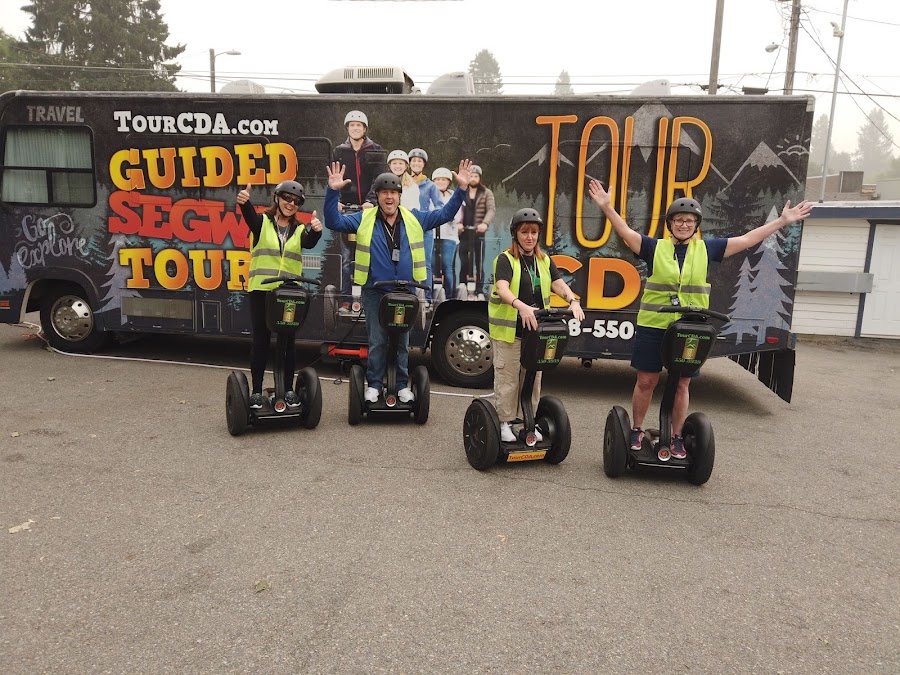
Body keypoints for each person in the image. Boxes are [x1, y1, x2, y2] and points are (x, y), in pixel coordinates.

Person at [588, 179, 812, 459]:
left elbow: (746, 240)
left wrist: (781, 221)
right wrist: (606, 207)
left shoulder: (708, 249)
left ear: (696, 225)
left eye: (689, 221)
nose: (684, 225)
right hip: (654, 325)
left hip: (690, 328)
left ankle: (677, 436)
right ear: (670, 224)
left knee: (682, 383)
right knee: (647, 381)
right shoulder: (653, 248)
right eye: (679, 220)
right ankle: (636, 429)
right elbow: (625, 231)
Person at [324, 159, 473, 404]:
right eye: (384, 193)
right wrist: (332, 192)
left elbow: (445, 214)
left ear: (399, 196)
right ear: (378, 196)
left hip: (405, 291)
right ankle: (374, 384)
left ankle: (401, 385)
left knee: (403, 341)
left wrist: (462, 189)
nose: (389, 197)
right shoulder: (364, 218)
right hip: (375, 291)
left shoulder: (414, 218)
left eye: (393, 192)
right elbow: (333, 222)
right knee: (377, 341)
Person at [488, 208, 585, 443]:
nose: (529, 237)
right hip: (510, 332)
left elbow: (558, 284)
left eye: (533, 232)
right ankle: (504, 422)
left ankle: (526, 421)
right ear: (515, 234)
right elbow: (502, 289)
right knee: (509, 379)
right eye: (524, 232)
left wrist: (572, 301)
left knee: (533, 380)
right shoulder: (505, 259)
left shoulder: (543, 260)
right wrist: (521, 306)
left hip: (536, 333)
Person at [237, 180, 323, 409]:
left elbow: (308, 242)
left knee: (288, 342)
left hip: (289, 293)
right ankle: (257, 391)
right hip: (262, 290)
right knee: (261, 340)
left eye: (296, 201)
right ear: (277, 198)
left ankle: (288, 390)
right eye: (286, 198)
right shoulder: (262, 222)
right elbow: (250, 218)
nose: (290, 203)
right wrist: (244, 203)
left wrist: (316, 231)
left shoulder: (299, 229)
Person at [332, 110, 385, 312]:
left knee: (369, 256)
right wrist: (337, 200)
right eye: (352, 125)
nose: (355, 128)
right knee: (347, 258)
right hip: (347, 210)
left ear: (364, 129)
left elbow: (378, 179)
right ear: (348, 128)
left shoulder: (375, 150)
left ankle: (369, 298)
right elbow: (335, 178)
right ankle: (346, 300)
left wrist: (371, 200)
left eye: (359, 125)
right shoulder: (339, 151)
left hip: (368, 211)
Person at [408, 148, 444, 302]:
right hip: (407, 226)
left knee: (425, 263)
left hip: (425, 228)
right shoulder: (404, 182)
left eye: (419, 161)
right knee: (407, 260)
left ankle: (427, 298)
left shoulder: (430, 185)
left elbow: (439, 205)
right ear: (409, 164)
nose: (416, 163)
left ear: (424, 164)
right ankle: (408, 292)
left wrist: (431, 216)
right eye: (413, 160)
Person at [457, 164, 495, 298]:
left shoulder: (486, 192)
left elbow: (491, 210)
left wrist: (485, 223)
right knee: (464, 261)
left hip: (479, 233)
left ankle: (479, 289)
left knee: (479, 262)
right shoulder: (462, 191)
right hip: (464, 232)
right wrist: (458, 223)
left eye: (475, 176)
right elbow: (456, 208)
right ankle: (462, 286)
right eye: (471, 176)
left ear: (480, 178)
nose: (473, 178)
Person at [431, 167, 460, 296]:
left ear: (448, 182)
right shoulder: (429, 195)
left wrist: (449, 217)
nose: (440, 182)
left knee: (447, 266)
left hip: (449, 235)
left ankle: (450, 295)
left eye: (443, 180)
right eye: (438, 180)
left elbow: (458, 214)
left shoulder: (453, 196)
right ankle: (430, 295)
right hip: (432, 235)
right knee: (431, 265)